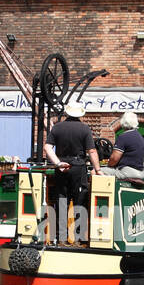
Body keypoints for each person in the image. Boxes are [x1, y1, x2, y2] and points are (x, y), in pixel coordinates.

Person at [43, 102, 99, 244]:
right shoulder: (85, 129)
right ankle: (78, 239)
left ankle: (61, 238)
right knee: (79, 202)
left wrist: (58, 163)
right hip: (78, 167)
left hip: (61, 168)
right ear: (80, 114)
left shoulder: (57, 127)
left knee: (62, 201)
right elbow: (91, 151)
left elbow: (47, 147)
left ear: (67, 113)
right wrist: (98, 169)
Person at [100, 112, 144, 180]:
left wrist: (108, 165)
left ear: (123, 122)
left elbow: (114, 158)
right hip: (140, 172)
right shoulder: (139, 136)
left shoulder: (123, 137)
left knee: (95, 171)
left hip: (126, 171)